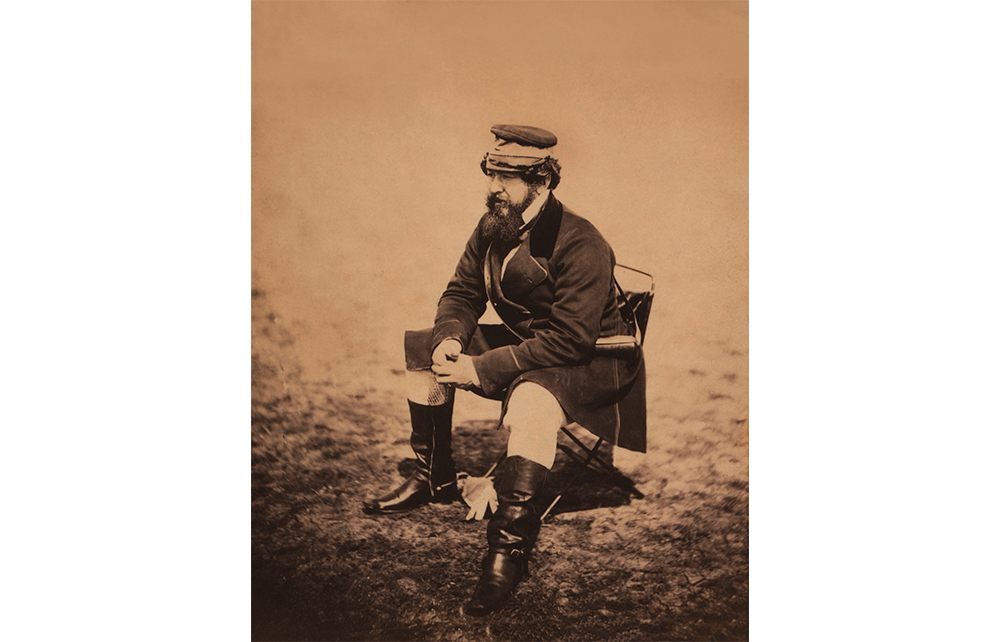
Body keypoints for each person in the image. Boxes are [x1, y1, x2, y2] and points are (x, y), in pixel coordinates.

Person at [363, 124, 646, 616]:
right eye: (491, 173)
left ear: (543, 181)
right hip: (536, 346)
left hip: (596, 360)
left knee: (532, 398)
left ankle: (508, 549)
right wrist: (451, 338)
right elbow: (461, 292)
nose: (494, 187)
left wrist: (479, 369)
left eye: (507, 177)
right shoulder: (495, 223)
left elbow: (570, 339)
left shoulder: (582, 242)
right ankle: (434, 477)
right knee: (423, 346)